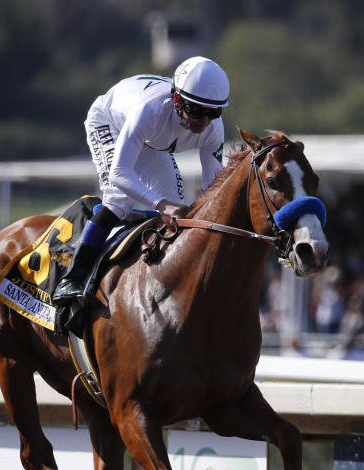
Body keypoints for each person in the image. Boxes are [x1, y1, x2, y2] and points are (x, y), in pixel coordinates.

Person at [52, 56, 230, 305]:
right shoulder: (150, 111)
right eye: (198, 111)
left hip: (151, 141)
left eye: (214, 112)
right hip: (111, 122)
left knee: (178, 212)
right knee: (119, 200)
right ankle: (71, 279)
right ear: (177, 100)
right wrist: (160, 205)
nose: (204, 122)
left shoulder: (213, 128)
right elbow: (119, 173)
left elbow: (212, 191)